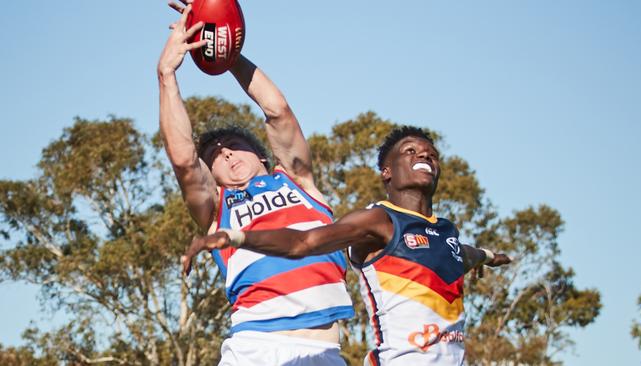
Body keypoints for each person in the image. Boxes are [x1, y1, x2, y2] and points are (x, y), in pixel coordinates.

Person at [183, 126, 512, 365]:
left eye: (430, 153)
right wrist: (237, 236)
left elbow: (459, 254)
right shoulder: (377, 221)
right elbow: (304, 242)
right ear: (386, 172)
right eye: (410, 151)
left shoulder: (445, 233)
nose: (424, 154)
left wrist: (486, 255)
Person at [158, 3, 354, 365]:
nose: (227, 154)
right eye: (215, 155)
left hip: (324, 349)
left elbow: (277, 110)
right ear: (212, 176)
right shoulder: (219, 208)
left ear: (263, 156)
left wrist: (227, 53)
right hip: (255, 346)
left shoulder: (297, 181)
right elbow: (185, 160)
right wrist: (167, 74)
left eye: (234, 146)